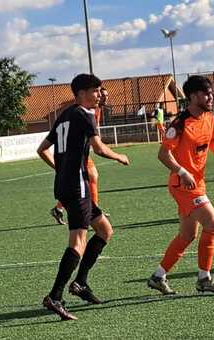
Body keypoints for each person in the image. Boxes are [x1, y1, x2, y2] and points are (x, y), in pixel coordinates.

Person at [37, 74, 130, 320]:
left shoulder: (64, 115)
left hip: (66, 186)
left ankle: (80, 283)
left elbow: (41, 150)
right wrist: (120, 156)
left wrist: (61, 169)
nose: (99, 95)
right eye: (95, 91)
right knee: (77, 243)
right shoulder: (85, 114)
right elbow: (98, 148)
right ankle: (54, 297)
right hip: (77, 188)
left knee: (104, 231)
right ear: (80, 93)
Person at [146, 75, 214, 295]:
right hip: (182, 185)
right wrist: (182, 171)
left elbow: (213, 139)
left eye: (211, 93)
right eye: (205, 93)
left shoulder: (210, 117)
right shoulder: (180, 123)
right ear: (192, 97)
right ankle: (204, 279)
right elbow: (163, 154)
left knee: (187, 236)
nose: (210, 97)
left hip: (197, 184)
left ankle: (158, 276)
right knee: (212, 224)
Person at [50, 87, 110, 224]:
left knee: (87, 179)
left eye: (106, 95)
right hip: (78, 151)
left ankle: (59, 208)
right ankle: (92, 211)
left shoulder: (96, 109)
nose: (104, 97)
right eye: (102, 94)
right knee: (91, 176)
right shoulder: (87, 110)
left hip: (83, 150)